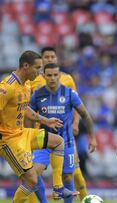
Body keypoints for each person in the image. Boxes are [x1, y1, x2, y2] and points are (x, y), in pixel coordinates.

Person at [0, 51, 74, 203]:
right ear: (25, 66)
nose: (40, 72)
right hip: (8, 140)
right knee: (32, 181)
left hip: (22, 133)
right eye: (37, 68)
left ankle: (58, 188)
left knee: (58, 141)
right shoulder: (6, 88)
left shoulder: (26, 84)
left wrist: (45, 121)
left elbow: (24, 108)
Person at [27, 47, 92, 202]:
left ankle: (85, 200)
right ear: (41, 60)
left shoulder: (67, 79)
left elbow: (77, 105)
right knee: (33, 174)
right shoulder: (33, 80)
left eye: (52, 57)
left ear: (56, 59)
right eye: (46, 57)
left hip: (66, 135)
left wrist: (75, 123)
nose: (49, 59)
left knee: (74, 173)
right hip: (41, 136)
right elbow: (27, 109)